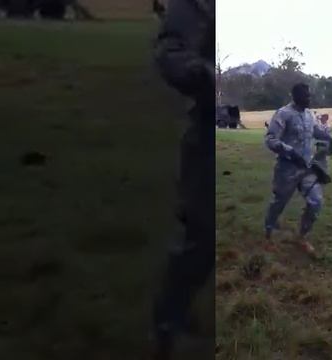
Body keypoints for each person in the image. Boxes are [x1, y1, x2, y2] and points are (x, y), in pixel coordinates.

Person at [150, 0, 215, 358]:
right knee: (201, 238)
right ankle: (167, 329)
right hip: (208, 136)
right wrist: (203, 73)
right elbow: (172, 50)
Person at [264, 83, 332, 256]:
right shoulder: (283, 114)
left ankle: (302, 237)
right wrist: (289, 151)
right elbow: (270, 139)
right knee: (279, 203)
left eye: (310, 96)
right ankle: (268, 234)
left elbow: (315, 131)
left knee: (316, 201)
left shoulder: (309, 116)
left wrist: (329, 138)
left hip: (307, 169)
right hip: (286, 169)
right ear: (296, 96)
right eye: (306, 96)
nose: (309, 99)